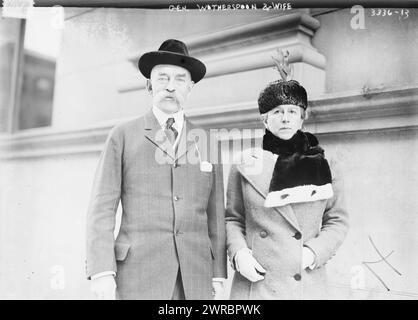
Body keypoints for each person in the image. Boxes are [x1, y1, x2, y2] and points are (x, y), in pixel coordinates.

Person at [85, 39, 227, 300]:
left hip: (195, 278)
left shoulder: (206, 140)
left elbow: (215, 214)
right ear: (149, 85)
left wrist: (218, 274)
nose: (171, 86)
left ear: (191, 87)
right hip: (139, 276)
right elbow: (101, 208)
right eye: (162, 78)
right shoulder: (123, 135)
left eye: (180, 79)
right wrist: (102, 271)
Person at [225, 75, 349, 299]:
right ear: (264, 120)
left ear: (302, 118)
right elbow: (233, 218)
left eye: (292, 112)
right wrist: (239, 254)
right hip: (255, 282)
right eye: (277, 112)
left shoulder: (325, 163)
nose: (285, 118)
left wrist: (312, 253)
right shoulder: (245, 163)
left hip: (305, 280)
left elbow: (337, 220)